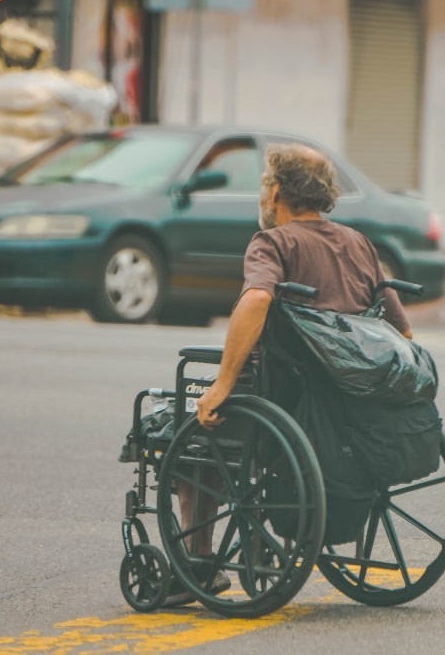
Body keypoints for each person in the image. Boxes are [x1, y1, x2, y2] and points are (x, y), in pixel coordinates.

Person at [165, 142, 411, 605]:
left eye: (265, 185)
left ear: (276, 191)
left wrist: (221, 385)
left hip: (282, 401)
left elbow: (257, 299)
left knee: (189, 433)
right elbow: (401, 331)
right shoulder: (358, 244)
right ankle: (257, 543)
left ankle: (198, 562)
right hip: (346, 407)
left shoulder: (274, 243)